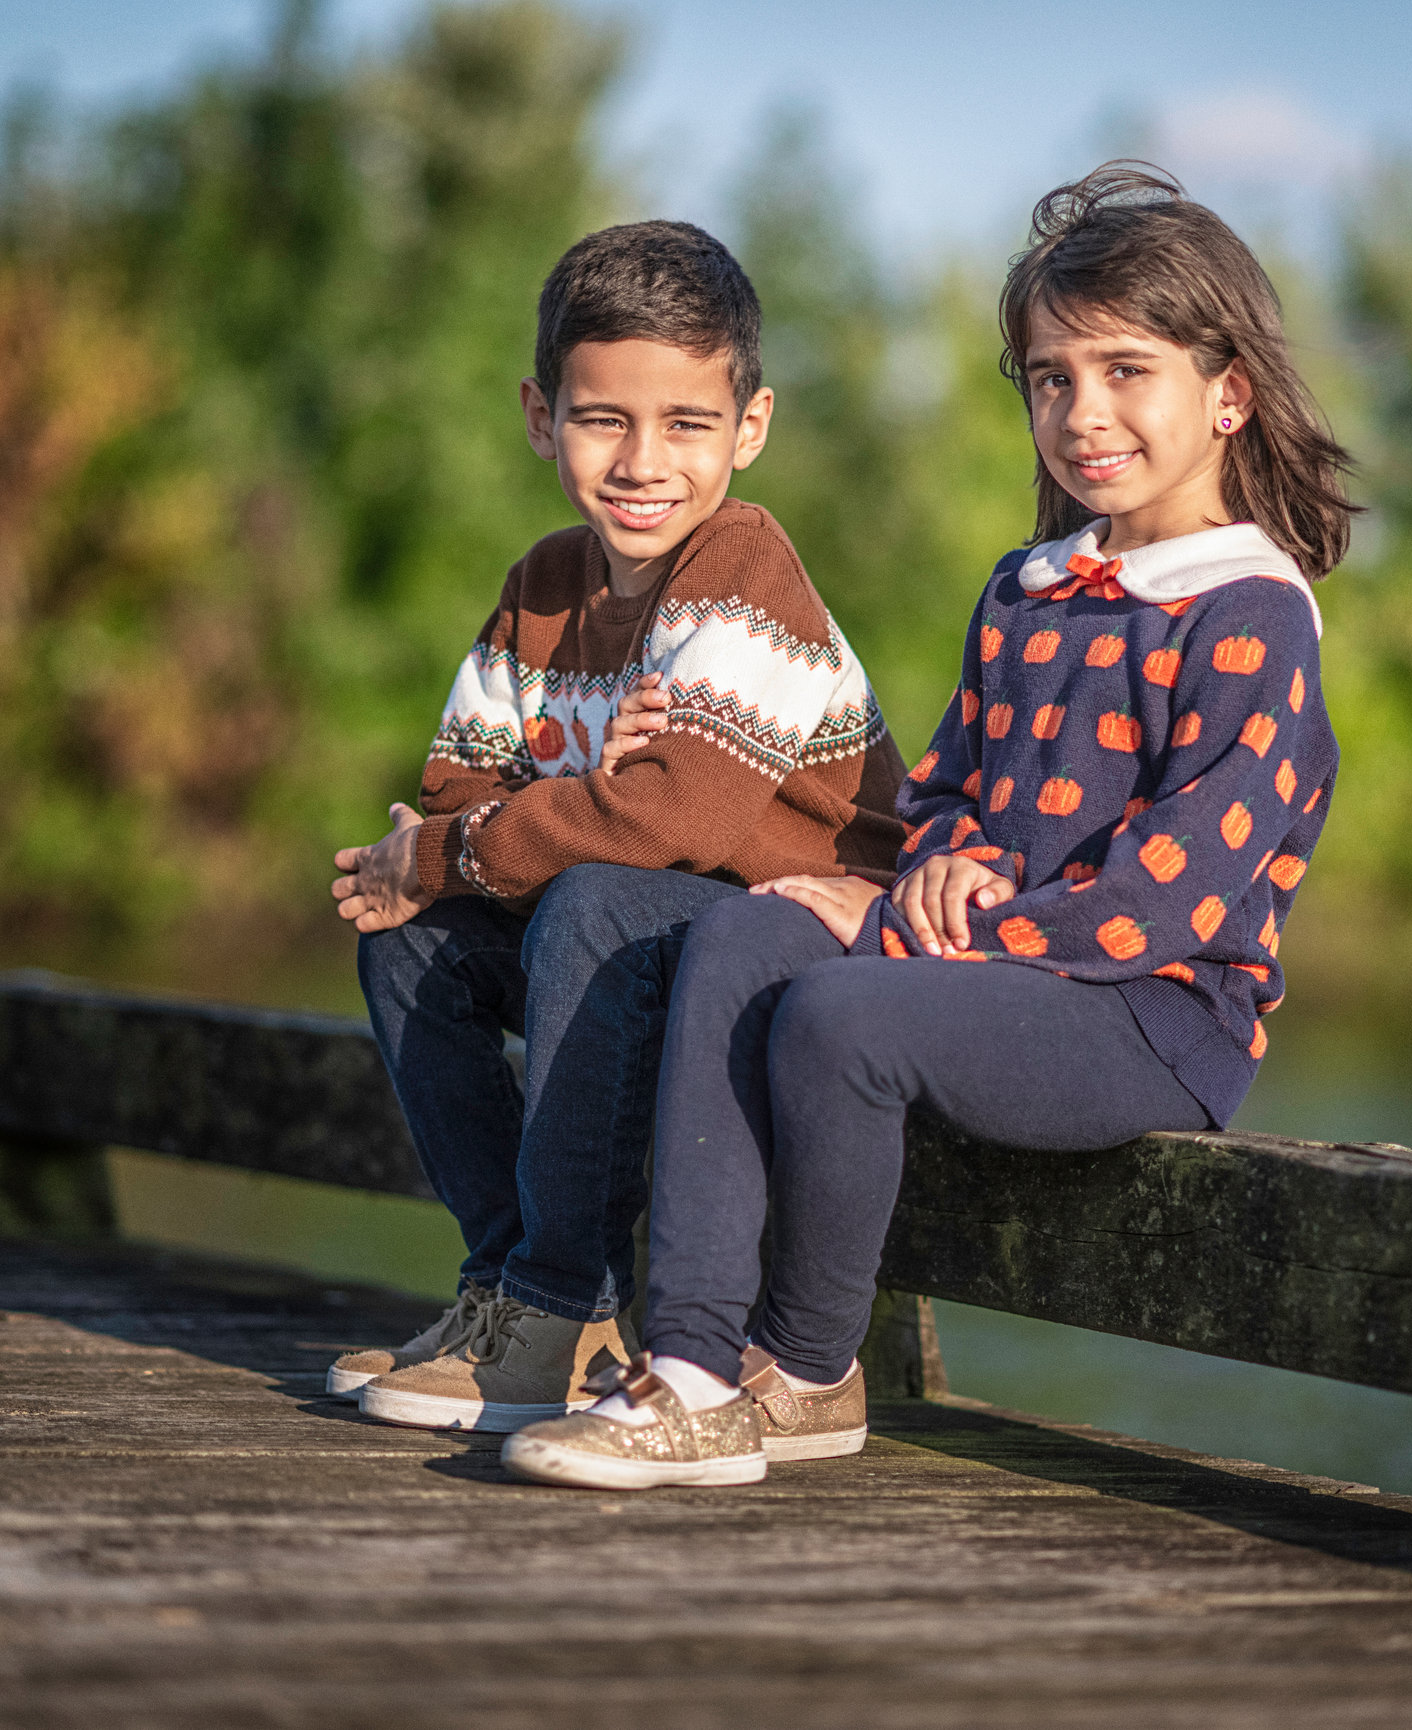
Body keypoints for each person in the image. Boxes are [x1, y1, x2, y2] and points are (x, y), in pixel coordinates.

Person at [495, 162, 1356, 1490]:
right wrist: (935, 857)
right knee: (742, 933)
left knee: (843, 1016)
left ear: (1227, 392)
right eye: (1050, 377)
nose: (1081, 412)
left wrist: (915, 923)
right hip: (989, 966)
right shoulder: (1029, 587)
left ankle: (808, 1364)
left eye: (1126, 370)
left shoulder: (1248, 613)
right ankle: (686, 1368)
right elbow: (945, 782)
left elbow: (1164, 899)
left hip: (1148, 1012)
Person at [324, 220, 906, 1432]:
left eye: (687, 424)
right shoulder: (541, 586)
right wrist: (578, 795)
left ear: (748, 428)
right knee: (409, 942)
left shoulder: (743, 566)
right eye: (603, 419)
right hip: (649, 919)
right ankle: (526, 1293)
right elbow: (453, 800)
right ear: (542, 416)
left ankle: (547, 1303)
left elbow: (667, 817)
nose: (643, 461)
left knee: (585, 893)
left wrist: (532, 826)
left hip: (794, 929)